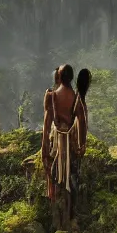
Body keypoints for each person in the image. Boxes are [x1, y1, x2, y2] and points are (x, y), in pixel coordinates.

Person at [41, 64, 87, 217]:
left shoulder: (51, 95)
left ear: (58, 76)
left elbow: (46, 126)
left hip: (57, 145)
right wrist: (82, 144)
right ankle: (71, 215)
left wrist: (44, 150)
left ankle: (59, 216)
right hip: (71, 145)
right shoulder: (77, 98)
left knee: (55, 179)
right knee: (71, 180)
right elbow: (82, 122)